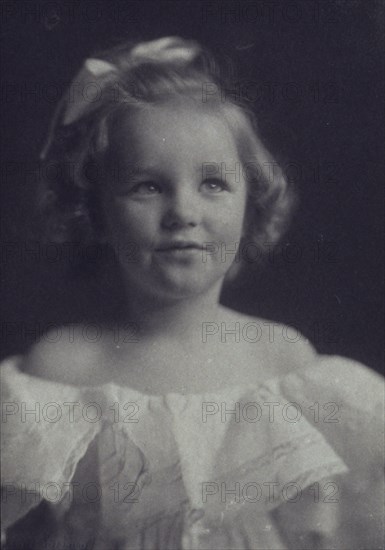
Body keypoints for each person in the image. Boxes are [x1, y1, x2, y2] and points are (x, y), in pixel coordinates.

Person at [1, 36, 383, 550]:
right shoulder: (61, 371)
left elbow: (321, 531)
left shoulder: (283, 364)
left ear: (251, 202)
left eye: (213, 184)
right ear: (96, 210)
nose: (183, 212)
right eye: (148, 186)